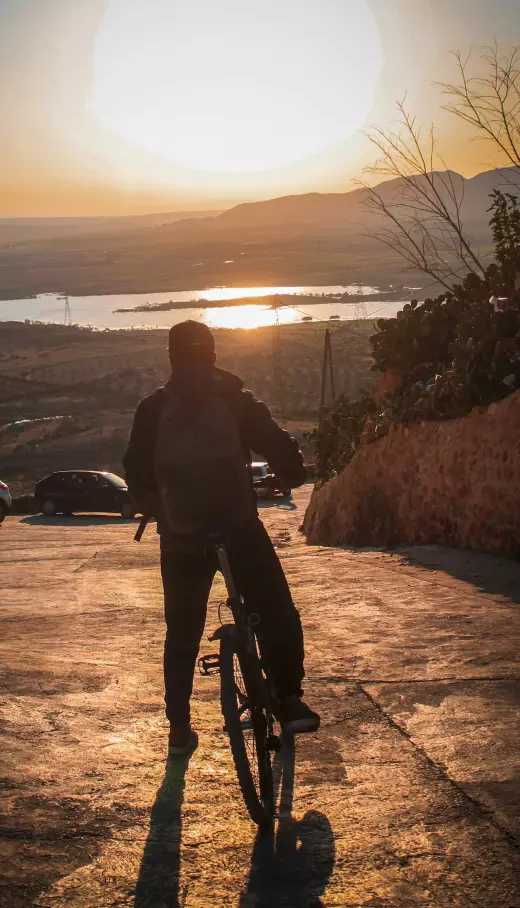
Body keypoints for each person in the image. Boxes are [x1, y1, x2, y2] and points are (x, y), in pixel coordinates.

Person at [123, 319, 320, 756]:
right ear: (213, 356)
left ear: (172, 358)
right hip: (238, 527)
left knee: (182, 633)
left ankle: (179, 728)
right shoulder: (237, 400)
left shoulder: (152, 409)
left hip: (181, 538)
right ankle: (289, 698)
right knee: (275, 610)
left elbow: (135, 470)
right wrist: (291, 474)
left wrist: (160, 510)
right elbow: (279, 449)